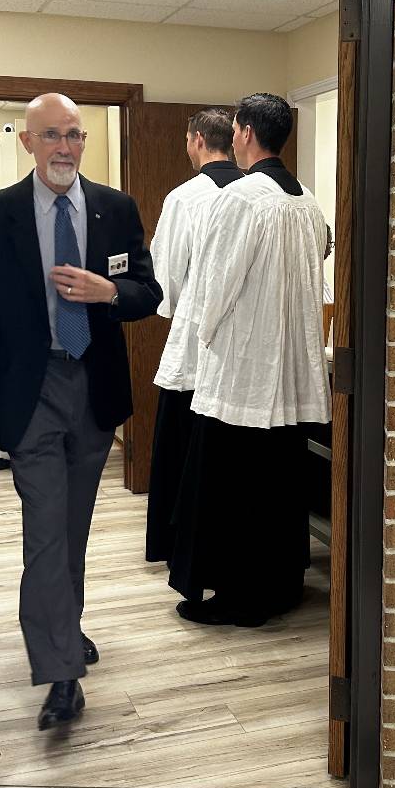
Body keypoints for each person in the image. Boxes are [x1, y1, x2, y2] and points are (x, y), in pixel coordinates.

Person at [0, 93, 162, 729]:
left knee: (73, 528)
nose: (65, 147)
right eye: (52, 135)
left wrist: (108, 291)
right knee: (46, 531)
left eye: (75, 136)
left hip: (95, 387)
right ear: (28, 143)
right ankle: (60, 674)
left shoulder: (115, 208)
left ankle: (64, 628)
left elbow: (148, 291)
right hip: (29, 392)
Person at [169, 92, 331, 627]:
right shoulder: (307, 198)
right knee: (281, 483)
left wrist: (203, 339)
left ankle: (242, 597)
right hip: (290, 370)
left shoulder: (241, 198)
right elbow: (322, 253)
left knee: (234, 487)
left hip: (243, 371)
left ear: (242, 132)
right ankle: (283, 584)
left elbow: (214, 286)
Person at [146, 107, 244, 565]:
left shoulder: (185, 198)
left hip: (194, 343)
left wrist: (179, 309)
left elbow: (165, 279)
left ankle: (178, 543)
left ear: (199, 140)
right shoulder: (258, 192)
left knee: (185, 449)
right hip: (244, 356)